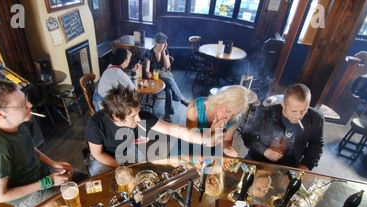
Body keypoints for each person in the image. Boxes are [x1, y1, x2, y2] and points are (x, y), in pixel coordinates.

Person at [0, 78, 88, 207]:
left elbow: (27, 147)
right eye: (22, 105)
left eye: (25, 99)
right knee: (78, 205)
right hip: (27, 195)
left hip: (42, 174)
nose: (30, 105)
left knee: (88, 183)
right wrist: (47, 182)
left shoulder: (20, 122)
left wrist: (52, 163)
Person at [85, 83, 223, 176]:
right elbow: (98, 154)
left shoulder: (139, 117)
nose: (139, 120)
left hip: (127, 148)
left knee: (144, 171)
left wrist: (205, 140)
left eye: (138, 113)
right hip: (102, 157)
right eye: (133, 116)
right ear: (116, 117)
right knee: (103, 179)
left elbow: (175, 129)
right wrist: (121, 168)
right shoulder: (95, 124)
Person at [242, 83, 324, 171]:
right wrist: (264, 151)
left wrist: (306, 165)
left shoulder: (316, 119)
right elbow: (247, 135)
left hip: (290, 164)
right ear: (283, 104)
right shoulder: (265, 113)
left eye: (304, 110)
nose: (299, 116)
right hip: (259, 158)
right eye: (294, 111)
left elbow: (317, 145)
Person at [180, 85, 249, 157]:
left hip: (212, 151)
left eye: (234, 114)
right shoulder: (195, 107)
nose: (228, 118)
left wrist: (227, 149)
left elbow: (227, 142)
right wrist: (211, 131)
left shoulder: (235, 119)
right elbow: (191, 138)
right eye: (227, 111)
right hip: (191, 150)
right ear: (219, 100)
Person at [143, 32, 190, 122]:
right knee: (169, 80)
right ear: (156, 42)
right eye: (160, 43)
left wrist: (163, 52)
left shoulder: (165, 51)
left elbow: (167, 66)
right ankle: (181, 99)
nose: (162, 45)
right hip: (154, 77)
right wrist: (148, 73)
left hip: (164, 74)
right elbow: (147, 70)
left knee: (168, 91)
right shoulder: (149, 53)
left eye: (164, 43)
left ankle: (167, 114)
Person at [93, 47, 140, 112]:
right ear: (123, 60)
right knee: (132, 108)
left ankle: (139, 120)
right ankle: (141, 121)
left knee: (129, 106)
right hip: (102, 104)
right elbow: (134, 90)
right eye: (129, 60)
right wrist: (134, 73)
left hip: (101, 97)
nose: (129, 62)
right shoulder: (118, 73)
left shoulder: (111, 65)